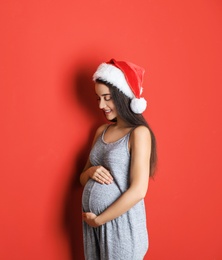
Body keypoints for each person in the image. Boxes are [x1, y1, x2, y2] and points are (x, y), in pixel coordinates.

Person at [80, 59, 157, 260]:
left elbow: (139, 190)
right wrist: (89, 172)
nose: (101, 105)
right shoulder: (101, 131)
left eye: (107, 97)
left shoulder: (138, 133)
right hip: (94, 226)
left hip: (121, 226)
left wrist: (99, 220)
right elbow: (82, 178)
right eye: (98, 98)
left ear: (122, 96)